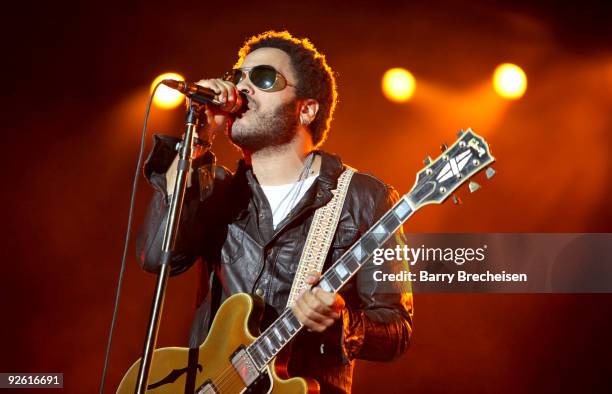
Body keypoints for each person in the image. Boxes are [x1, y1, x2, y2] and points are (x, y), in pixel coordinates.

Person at [137, 30, 413, 394]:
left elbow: (397, 330)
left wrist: (341, 322)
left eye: (264, 78)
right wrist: (199, 140)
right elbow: (157, 257)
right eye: (238, 77)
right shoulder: (214, 188)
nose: (243, 88)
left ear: (307, 108)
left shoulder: (364, 198)